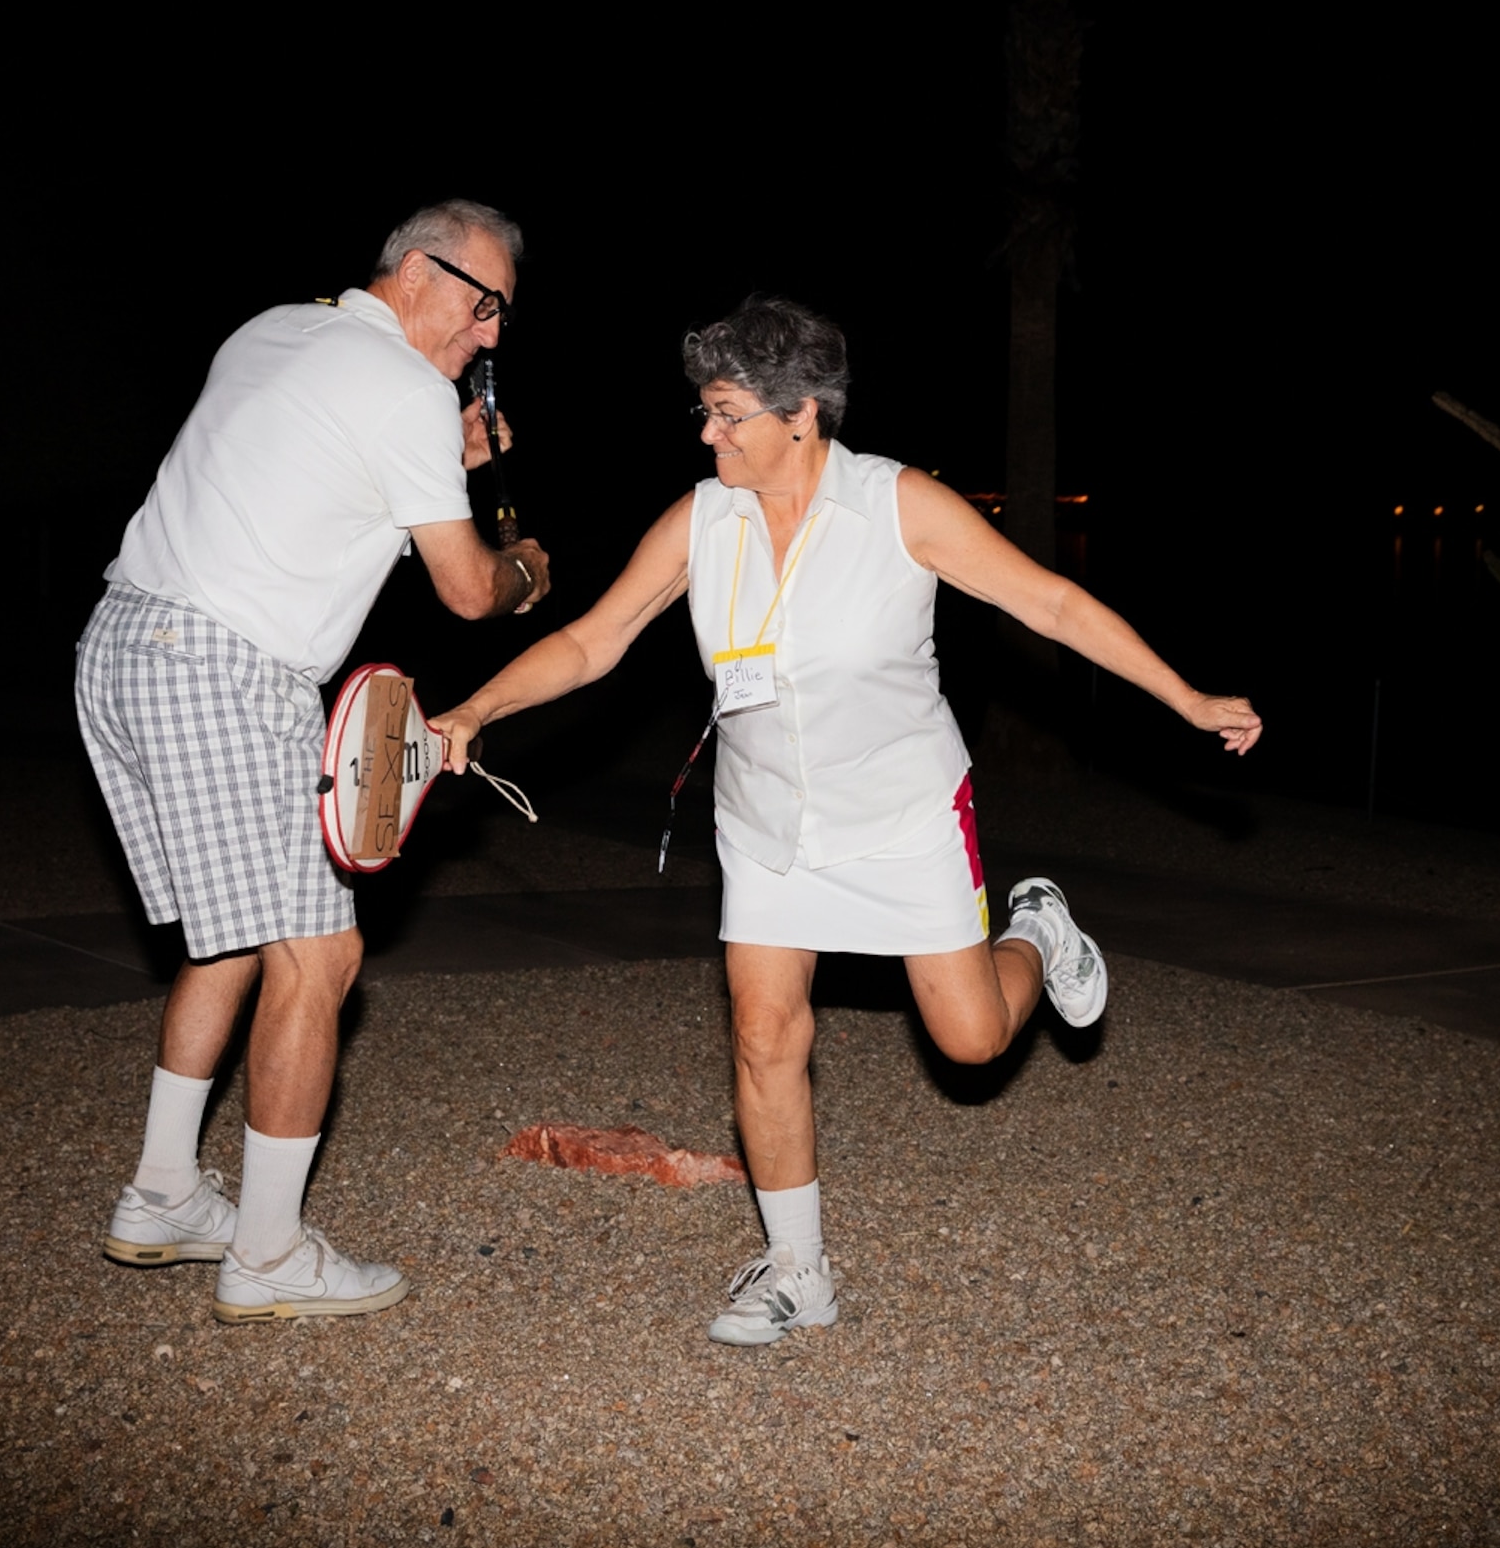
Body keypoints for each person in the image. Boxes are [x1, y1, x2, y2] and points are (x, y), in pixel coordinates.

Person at [428, 296, 1258, 1345]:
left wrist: (1186, 698)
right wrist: (476, 709)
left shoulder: (898, 506)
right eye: (704, 410)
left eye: (728, 413)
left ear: (802, 414)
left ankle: (1039, 930)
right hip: (766, 822)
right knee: (764, 1029)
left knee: (971, 1040)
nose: (707, 434)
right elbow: (596, 639)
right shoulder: (703, 519)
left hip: (903, 812)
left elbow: (1050, 603)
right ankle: (798, 1270)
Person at [76, 200, 553, 1323]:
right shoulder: (406, 391)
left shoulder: (274, 329)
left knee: (236, 935)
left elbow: (315, 484)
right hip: (221, 669)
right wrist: (527, 570)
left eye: (503, 316)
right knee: (321, 952)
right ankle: (269, 1254)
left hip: (122, 645)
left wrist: (440, 456)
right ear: (416, 271)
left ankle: (162, 1194)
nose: (491, 333)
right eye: (483, 302)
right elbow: (468, 590)